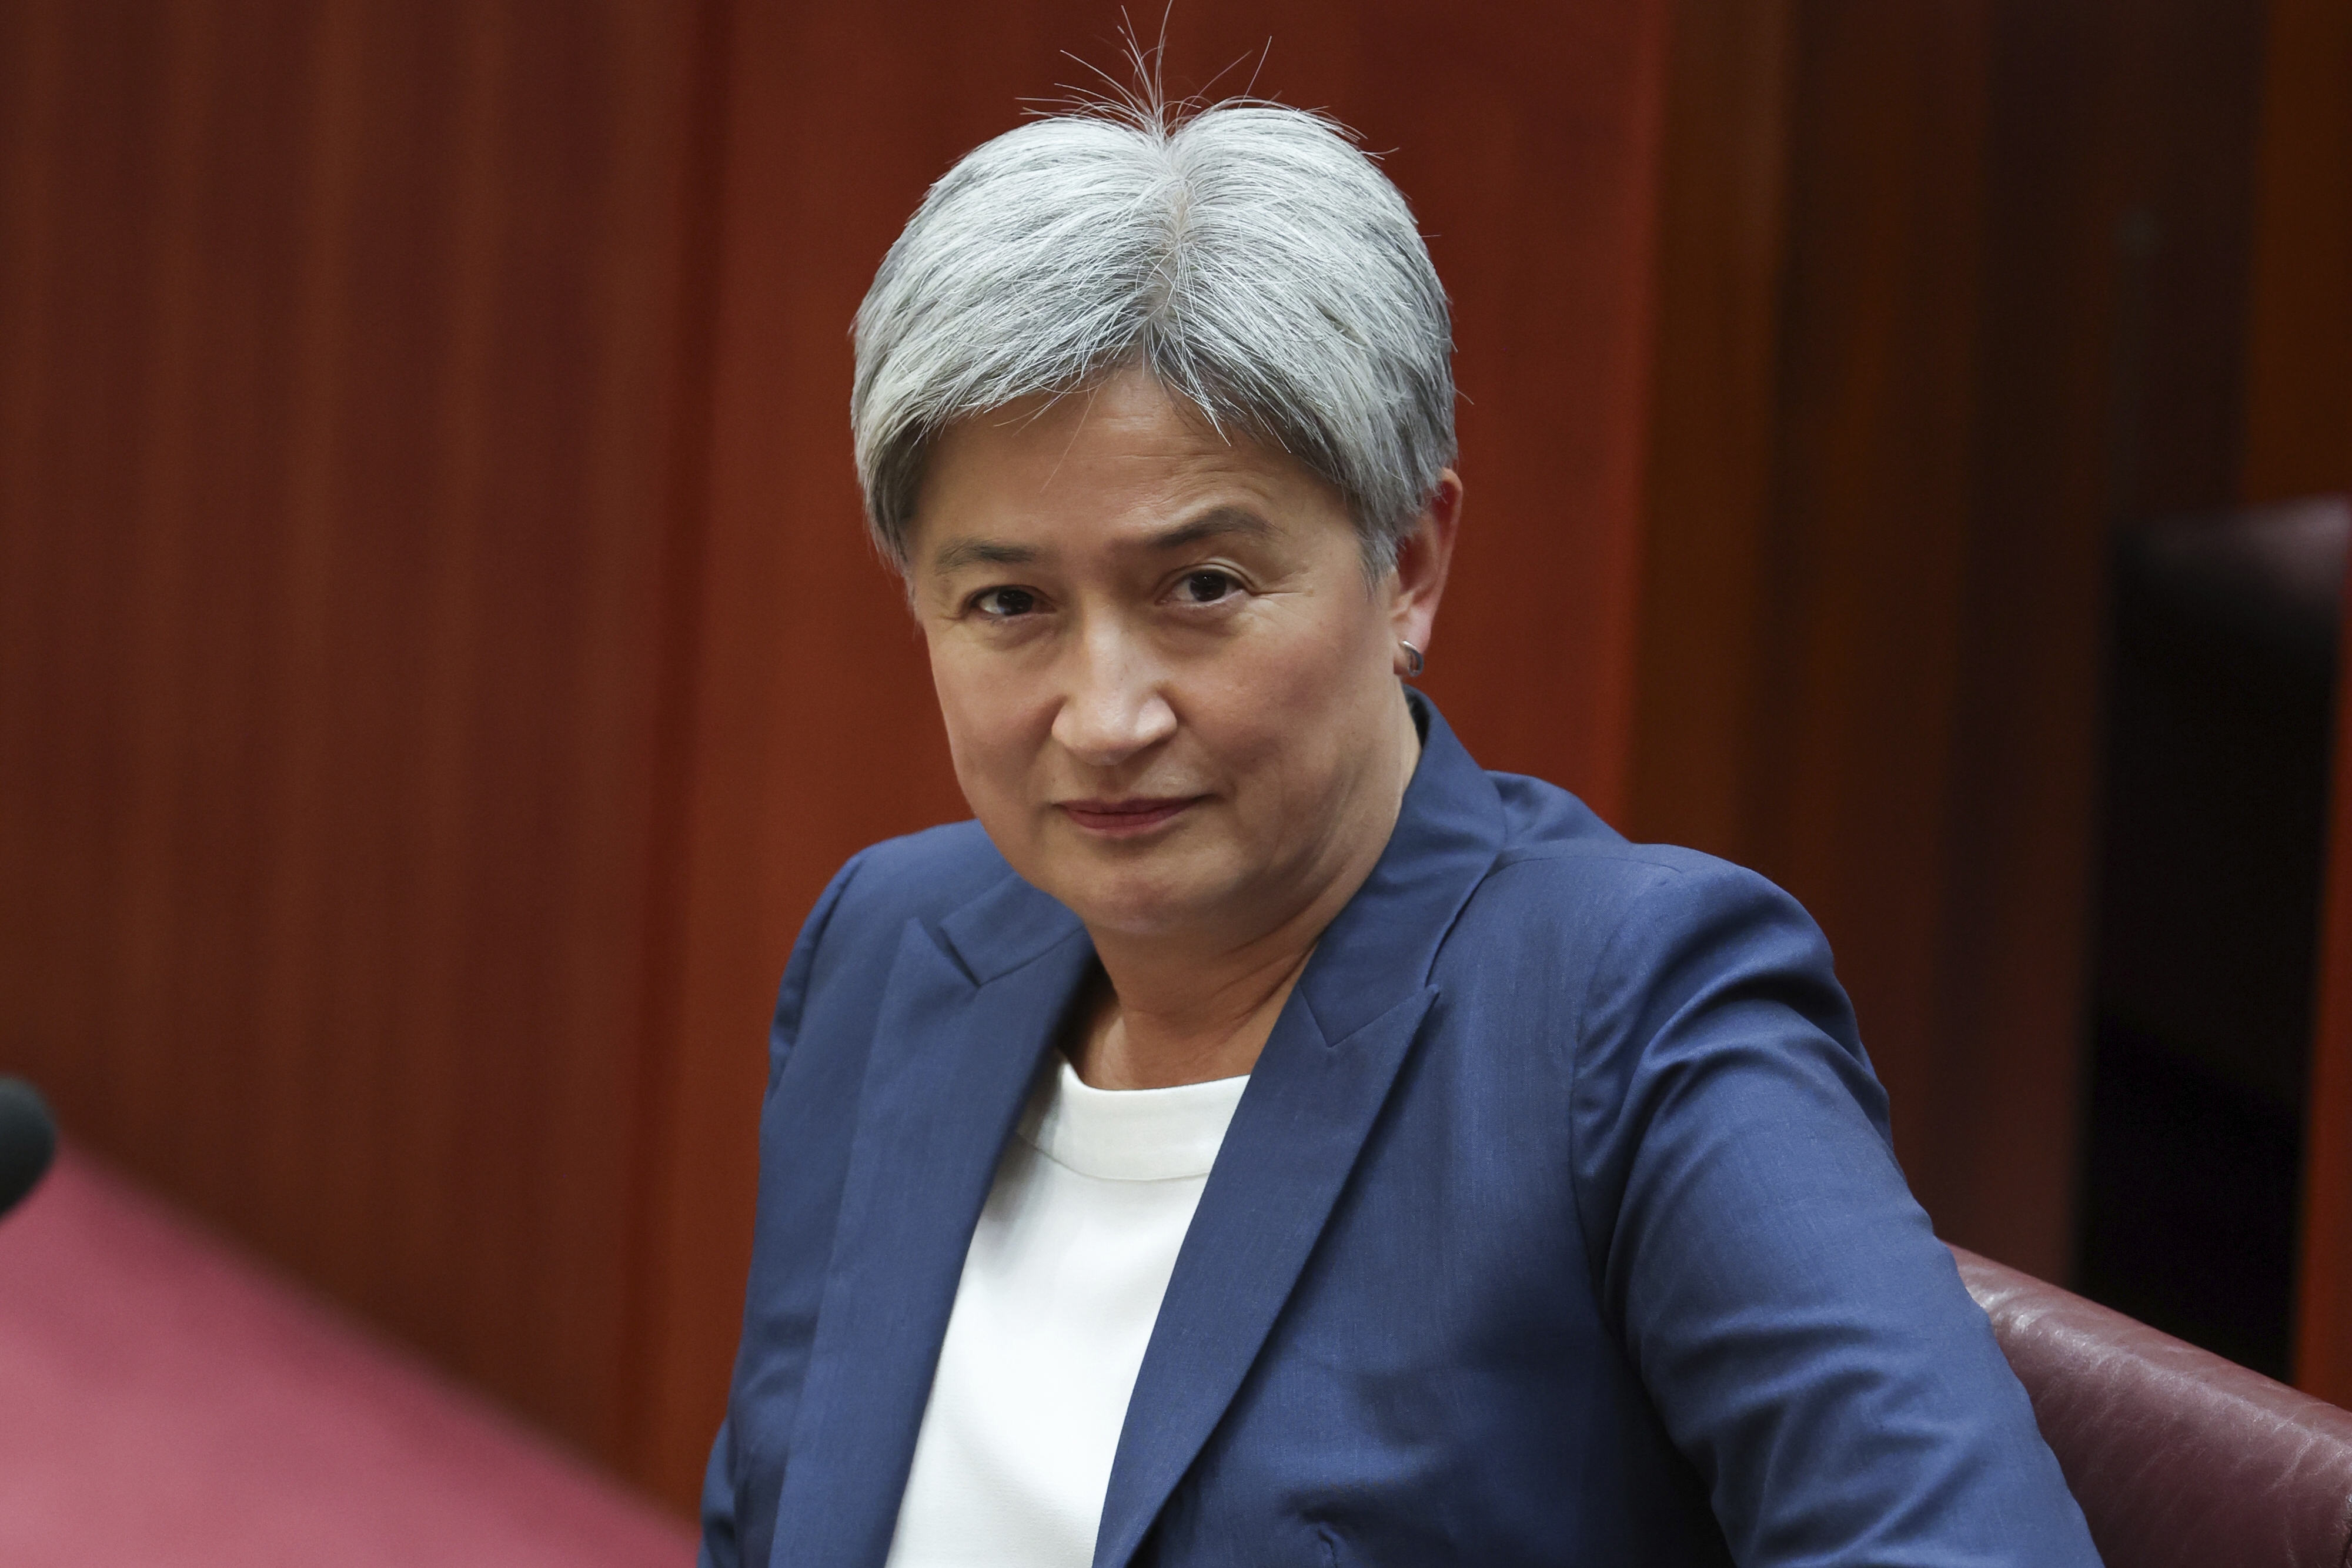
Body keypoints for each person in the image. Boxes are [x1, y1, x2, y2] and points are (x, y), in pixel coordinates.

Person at [697, 95, 2099, 1568]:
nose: (1103, 713)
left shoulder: (1624, 1009)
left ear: (1409, 564)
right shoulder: (887, 947)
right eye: (1008, 604)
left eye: (1202, 588)